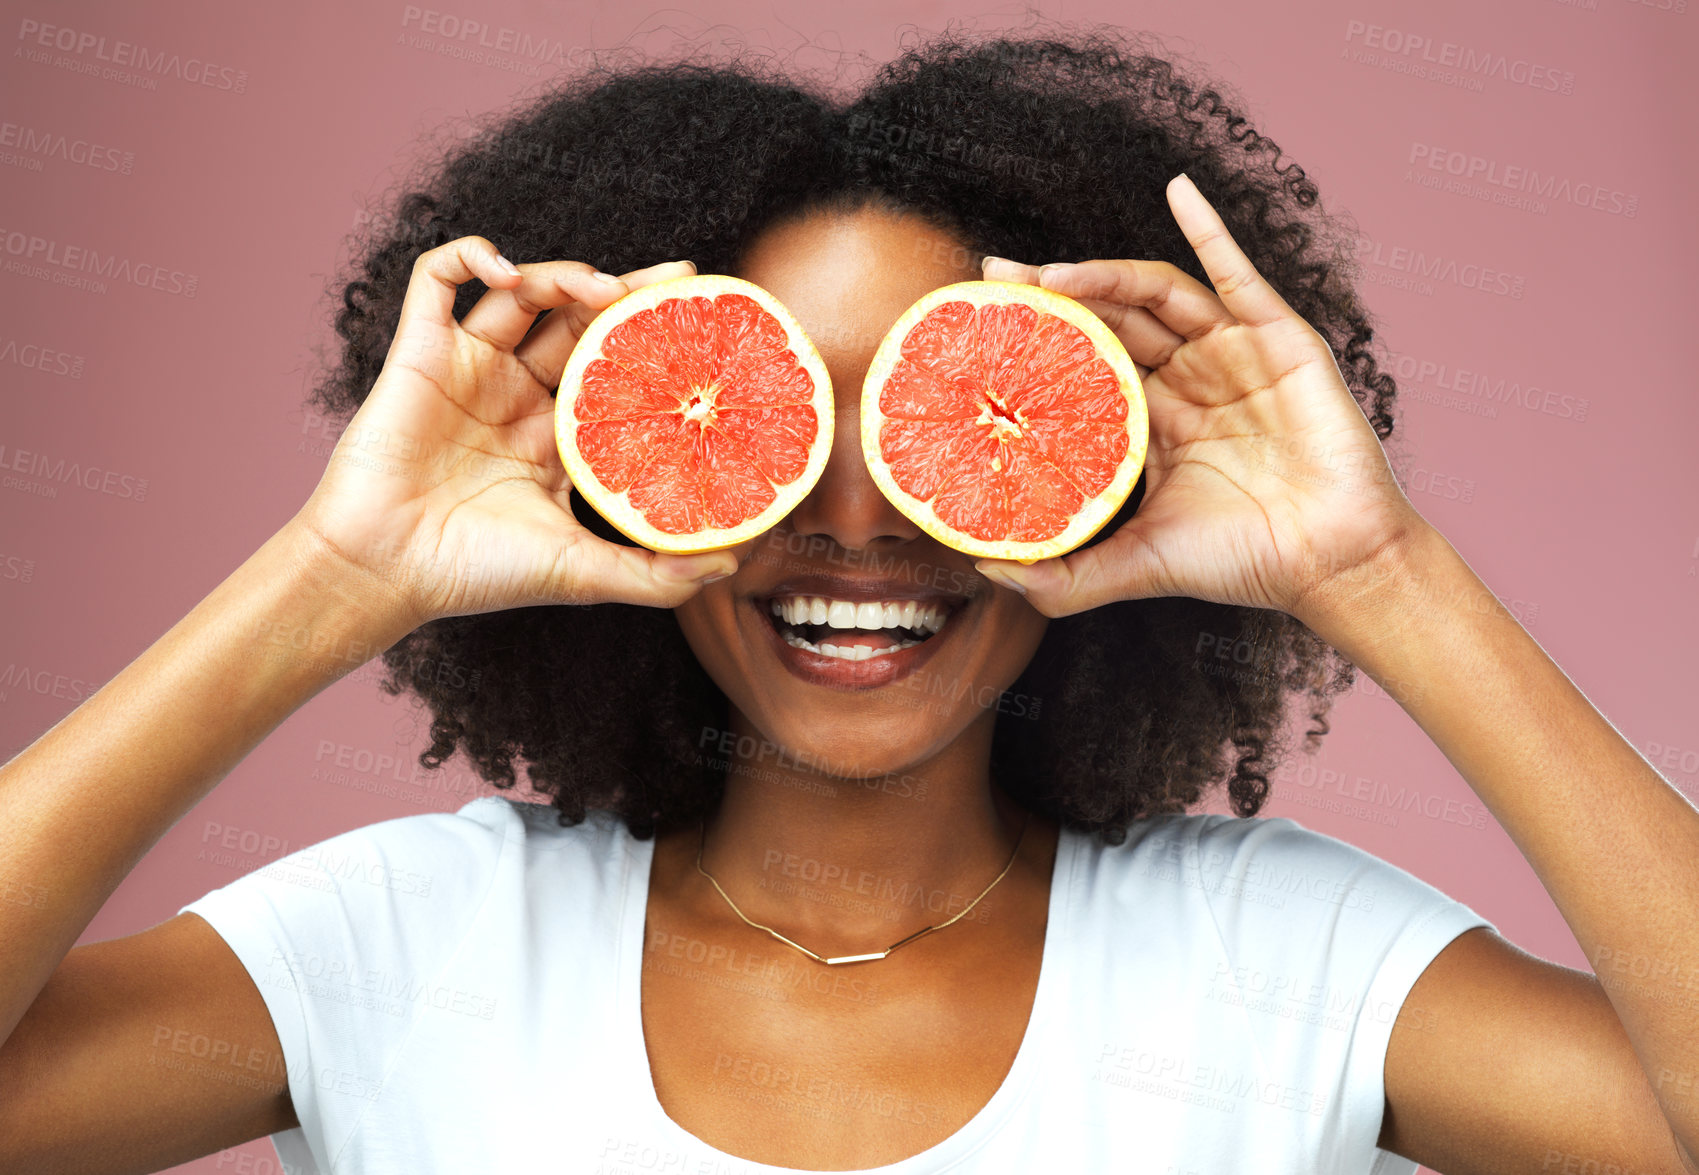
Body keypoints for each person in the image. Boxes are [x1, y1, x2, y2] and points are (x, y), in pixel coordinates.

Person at [1, 27, 1695, 1175]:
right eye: (769, 421)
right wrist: (338, 571)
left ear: (1115, 456)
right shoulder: (403, 946)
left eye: (951, 422)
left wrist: (1375, 571)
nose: (861, 520)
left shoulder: (1286, 960)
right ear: (623, 466)